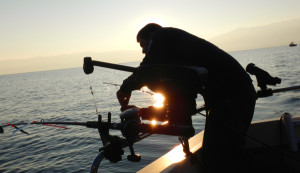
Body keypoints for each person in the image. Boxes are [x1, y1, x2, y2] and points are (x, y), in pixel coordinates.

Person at [116, 23, 256, 172]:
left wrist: (124, 89)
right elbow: (179, 110)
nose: (143, 51)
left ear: (151, 36)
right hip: (234, 97)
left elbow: (146, 69)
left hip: (232, 98)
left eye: (143, 45)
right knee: (228, 153)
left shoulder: (162, 34)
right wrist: (142, 112)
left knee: (216, 158)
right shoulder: (182, 70)